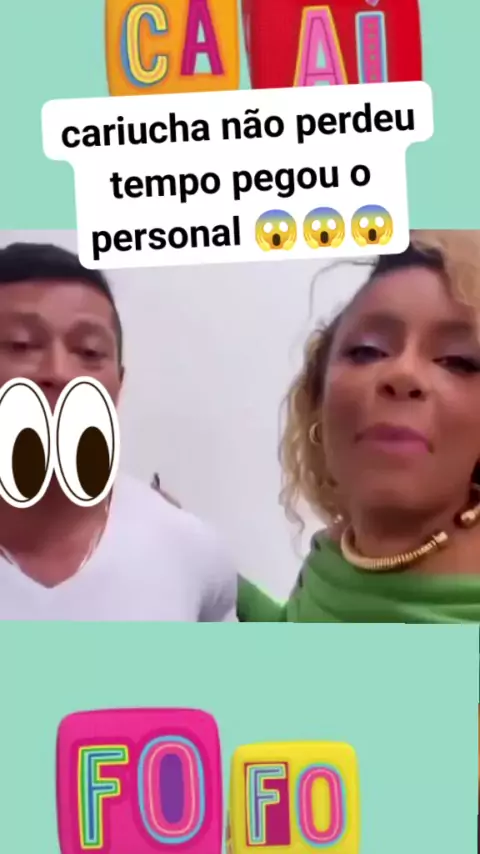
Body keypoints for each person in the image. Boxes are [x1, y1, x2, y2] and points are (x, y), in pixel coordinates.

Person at [238, 230, 480, 622]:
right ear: (318, 397)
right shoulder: (334, 554)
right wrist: (191, 550)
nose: (403, 373)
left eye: (458, 360)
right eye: (368, 350)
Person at [0, 241, 237, 620]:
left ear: (118, 386)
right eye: (21, 344)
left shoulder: (191, 554)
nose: (59, 371)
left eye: (90, 352)